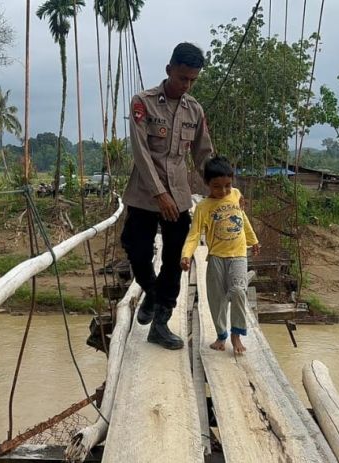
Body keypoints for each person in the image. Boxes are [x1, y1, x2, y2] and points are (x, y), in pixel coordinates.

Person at [121, 42, 214, 350]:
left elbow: (203, 154)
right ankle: (150, 289)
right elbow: (141, 151)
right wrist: (159, 193)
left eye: (192, 80)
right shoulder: (143, 103)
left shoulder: (194, 110)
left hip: (180, 195)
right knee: (136, 250)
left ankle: (160, 323)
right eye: (182, 78)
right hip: (144, 195)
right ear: (169, 70)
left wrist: (222, 190)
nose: (186, 85)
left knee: (177, 259)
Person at [180, 157, 259, 354]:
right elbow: (195, 234)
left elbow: (243, 219)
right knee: (217, 299)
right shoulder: (203, 207)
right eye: (217, 187)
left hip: (239, 254)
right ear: (207, 184)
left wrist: (253, 240)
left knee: (239, 291)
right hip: (215, 256)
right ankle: (221, 336)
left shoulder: (236, 194)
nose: (223, 191)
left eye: (227, 185)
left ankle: (236, 336)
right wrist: (186, 255)